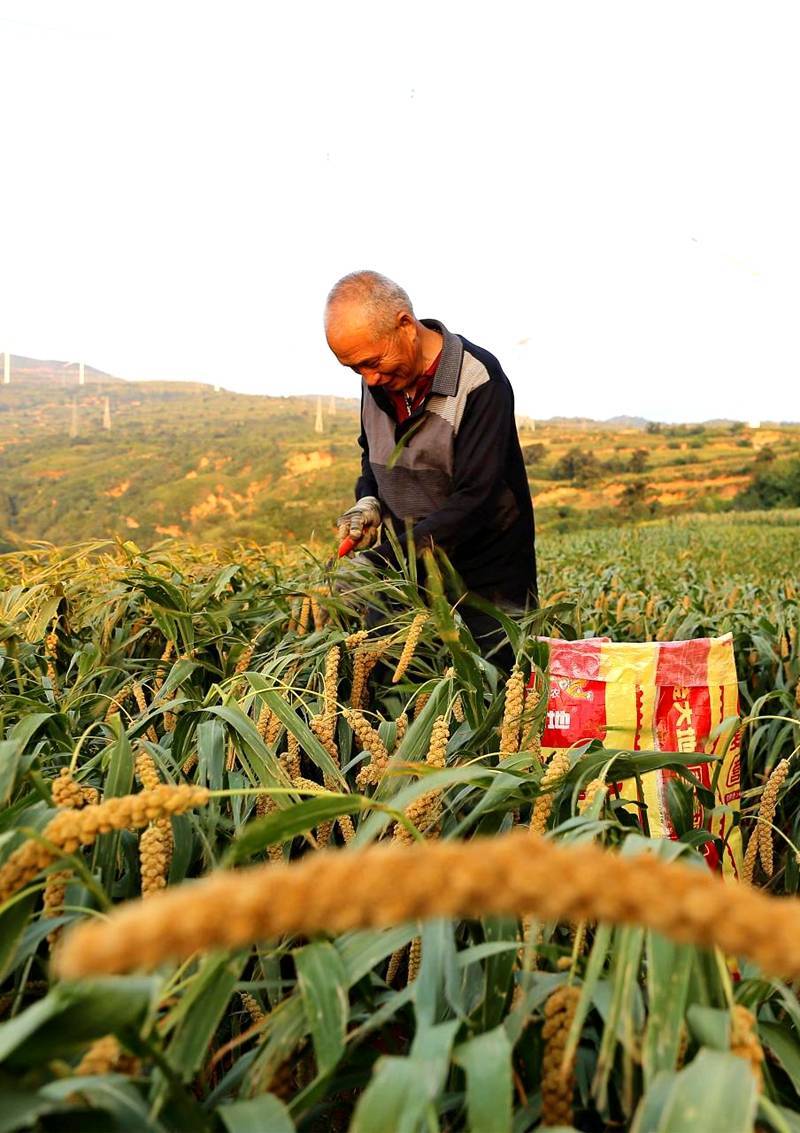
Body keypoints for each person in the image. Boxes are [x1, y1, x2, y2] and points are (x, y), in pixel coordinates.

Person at [324, 270, 537, 665]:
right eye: (355, 369)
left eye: (371, 362)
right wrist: (367, 501)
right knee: (385, 675)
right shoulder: (377, 380)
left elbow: (476, 500)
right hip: (406, 566)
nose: (369, 378)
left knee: (497, 685)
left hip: (485, 571)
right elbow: (373, 452)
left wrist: (383, 560)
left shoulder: (479, 380)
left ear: (405, 325)